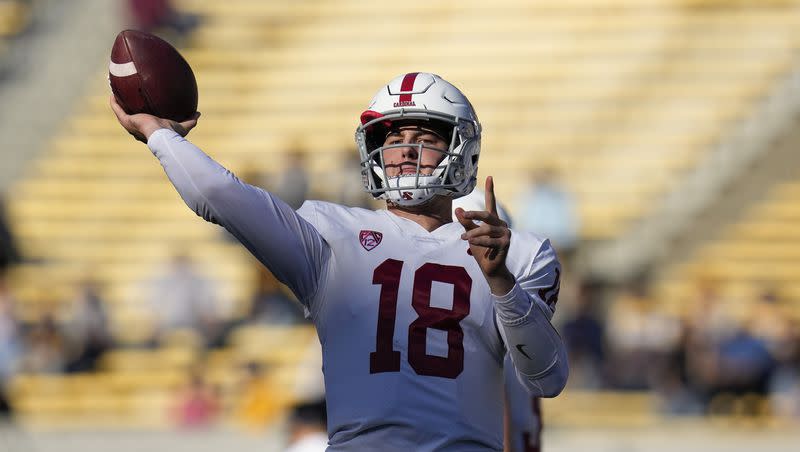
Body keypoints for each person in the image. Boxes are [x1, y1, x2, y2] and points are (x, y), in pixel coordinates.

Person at [111, 72, 568, 450]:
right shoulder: (332, 233)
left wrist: (503, 284)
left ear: (462, 147)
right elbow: (220, 195)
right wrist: (159, 134)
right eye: (393, 138)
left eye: (424, 136)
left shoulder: (519, 251)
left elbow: (546, 378)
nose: (405, 150)